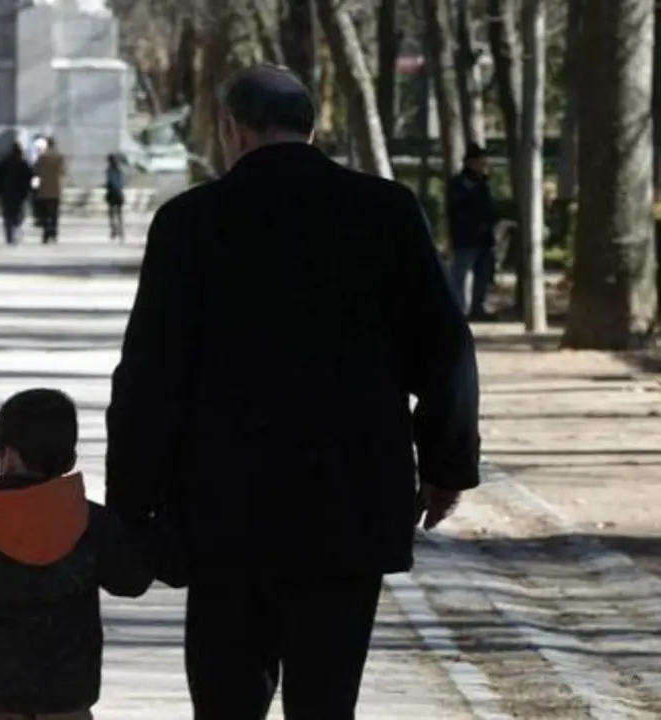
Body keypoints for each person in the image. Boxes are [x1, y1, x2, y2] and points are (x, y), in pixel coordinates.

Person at [104, 65, 481, 719]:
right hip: (349, 505)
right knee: (327, 703)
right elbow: (445, 347)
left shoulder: (190, 222)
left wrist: (132, 507)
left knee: (226, 703)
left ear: (234, 130)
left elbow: (149, 377)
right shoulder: (385, 211)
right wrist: (447, 467)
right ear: (311, 127)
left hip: (224, 510)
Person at [0, 388, 154, 720]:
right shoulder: (91, 521)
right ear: (70, 460)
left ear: (8, 457)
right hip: (68, 692)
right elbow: (130, 581)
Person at [446, 143, 499, 319]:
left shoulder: (483, 183)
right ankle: (458, 309)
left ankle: (478, 308)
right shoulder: (458, 183)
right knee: (460, 275)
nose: (482, 166)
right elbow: (456, 210)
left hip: (484, 238)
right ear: (470, 162)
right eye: (479, 162)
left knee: (482, 275)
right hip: (465, 237)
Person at [0, 143, 34, 245]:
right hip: (20, 194)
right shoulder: (23, 163)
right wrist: (31, 190)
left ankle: (9, 235)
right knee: (18, 214)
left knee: (8, 215)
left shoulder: (4, 163)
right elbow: (30, 178)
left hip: (6, 193)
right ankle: (16, 230)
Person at [33, 137, 66, 244]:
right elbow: (62, 172)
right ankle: (53, 232)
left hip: (44, 190)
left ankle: (46, 233)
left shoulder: (42, 158)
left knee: (45, 213)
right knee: (54, 214)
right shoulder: (59, 158)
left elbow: (36, 171)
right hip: (55, 189)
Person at [104, 154, 126, 242]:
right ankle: (119, 230)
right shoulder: (118, 171)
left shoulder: (110, 171)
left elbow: (112, 182)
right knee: (118, 214)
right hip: (117, 193)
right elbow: (120, 183)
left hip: (113, 193)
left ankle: (115, 230)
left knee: (112, 213)